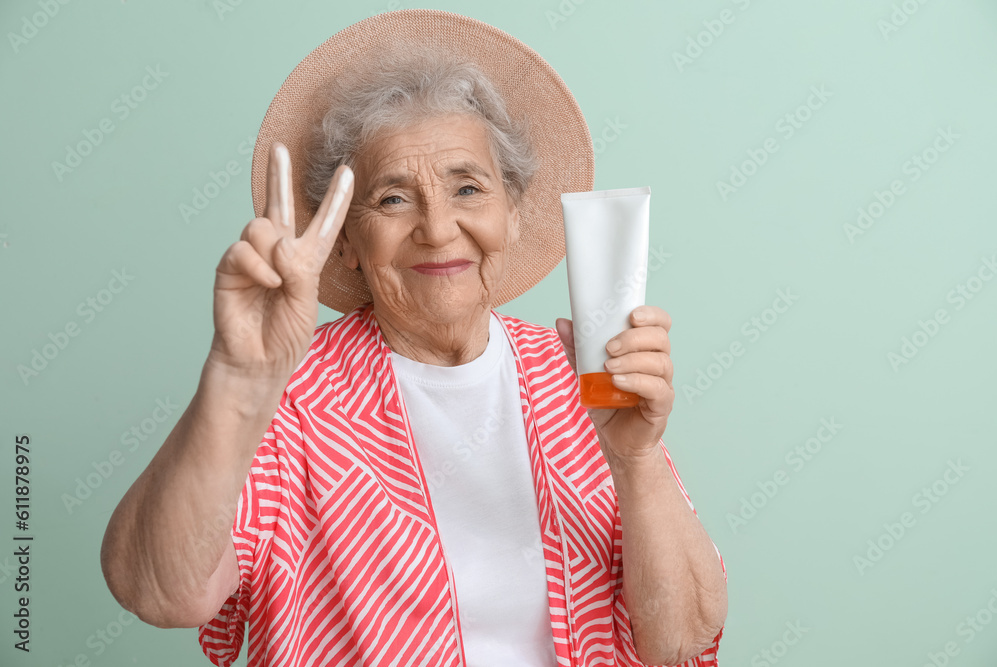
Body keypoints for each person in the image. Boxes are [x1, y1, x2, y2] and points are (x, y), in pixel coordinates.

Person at [99, 9, 727, 667]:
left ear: (512, 214)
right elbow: (160, 591)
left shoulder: (576, 373)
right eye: (393, 199)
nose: (437, 227)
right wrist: (235, 381)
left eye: (467, 187)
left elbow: (680, 640)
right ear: (345, 242)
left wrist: (635, 457)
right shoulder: (289, 395)